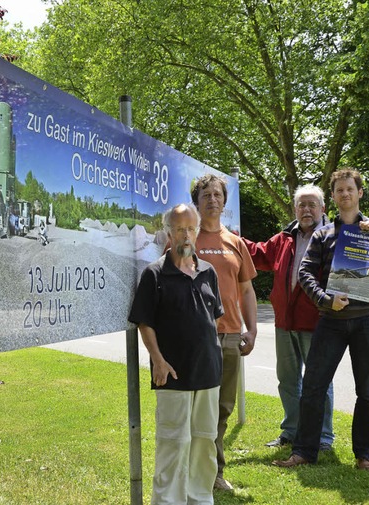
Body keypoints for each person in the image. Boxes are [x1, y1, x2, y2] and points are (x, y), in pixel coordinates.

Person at [274, 168, 369, 470]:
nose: (345, 194)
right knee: (314, 386)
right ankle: (304, 451)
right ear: (333, 197)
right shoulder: (323, 234)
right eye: (339, 190)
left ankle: (365, 455)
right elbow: (304, 273)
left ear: (360, 193)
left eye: (350, 189)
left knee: (367, 391)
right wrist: (325, 299)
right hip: (330, 320)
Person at [128, 203, 224, 505]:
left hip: (208, 374)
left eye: (191, 229)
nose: (186, 235)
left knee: (205, 442)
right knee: (173, 443)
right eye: (180, 229)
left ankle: (200, 498)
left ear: (197, 231)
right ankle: (167, 501)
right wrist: (158, 359)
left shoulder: (208, 272)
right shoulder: (154, 274)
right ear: (169, 232)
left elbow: (214, 318)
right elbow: (145, 322)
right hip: (171, 373)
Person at [242, 184, 335, 450]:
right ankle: (291, 432)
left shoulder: (333, 237)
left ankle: (323, 437)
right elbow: (259, 254)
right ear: (295, 208)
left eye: (312, 205)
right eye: (301, 205)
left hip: (317, 323)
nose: (306, 210)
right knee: (287, 380)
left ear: (322, 208)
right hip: (285, 323)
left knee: (319, 383)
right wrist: (233, 238)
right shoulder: (284, 238)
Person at [191, 174, 258, 491]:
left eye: (217, 195)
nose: (212, 200)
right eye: (206, 195)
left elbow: (246, 290)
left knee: (222, 408)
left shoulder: (236, 243)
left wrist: (252, 330)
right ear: (197, 202)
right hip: (195, 338)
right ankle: (193, 471)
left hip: (231, 335)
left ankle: (214, 474)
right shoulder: (185, 240)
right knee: (195, 408)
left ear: (224, 201)